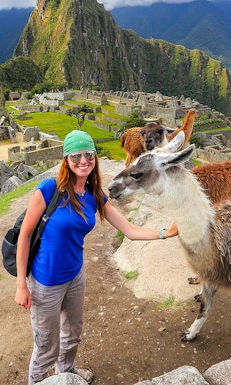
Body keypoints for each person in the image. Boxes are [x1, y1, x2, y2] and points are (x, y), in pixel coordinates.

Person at [14, 130, 177, 384]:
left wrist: (165, 232)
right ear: (66, 160)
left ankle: (66, 373)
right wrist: (21, 285)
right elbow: (24, 237)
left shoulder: (94, 195)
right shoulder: (48, 190)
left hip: (75, 277)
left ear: (94, 157)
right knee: (46, 344)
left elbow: (130, 230)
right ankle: (37, 382)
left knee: (73, 333)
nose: (83, 161)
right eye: (76, 156)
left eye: (88, 154)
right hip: (45, 283)